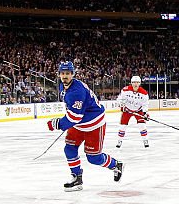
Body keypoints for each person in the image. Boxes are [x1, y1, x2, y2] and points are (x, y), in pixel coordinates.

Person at [45, 61, 123, 191]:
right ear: (59, 74)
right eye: (62, 73)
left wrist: (58, 123)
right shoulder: (63, 86)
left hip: (94, 124)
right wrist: (66, 121)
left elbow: (75, 117)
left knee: (93, 158)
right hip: (79, 123)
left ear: (72, 74)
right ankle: (77, 178)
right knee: (69, 148)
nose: (65, 76)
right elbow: (74, 113)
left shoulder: (77, 91)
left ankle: (116, 165)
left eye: (68, 73)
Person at [116, 75, 150, 148]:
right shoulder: (125, 90)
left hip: (138, 111)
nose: (135, 84)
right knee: (122, 126)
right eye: (134, 82)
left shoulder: (144, 93)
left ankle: (145, 141)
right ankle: (119, 141)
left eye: (137, 82)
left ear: (139, 83)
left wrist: (145, 113)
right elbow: (119, 99)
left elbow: (145, 104)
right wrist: (122, 106)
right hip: (127, 111)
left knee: (142, 126)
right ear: (131, 83)